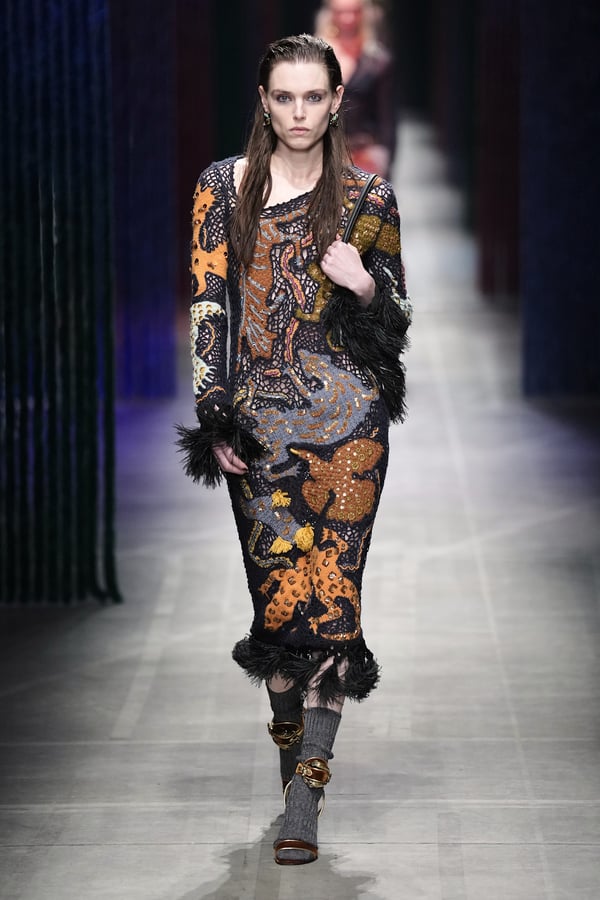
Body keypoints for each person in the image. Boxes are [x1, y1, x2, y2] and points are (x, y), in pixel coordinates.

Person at [177, 33, 411, 866]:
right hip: (261, 431)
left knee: (333, 601)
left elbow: (398, 319)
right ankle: (292, 753)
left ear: (338, 101)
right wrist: (214, 410)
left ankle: (305, 802)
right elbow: (208, 303)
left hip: (351, 431)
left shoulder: (369, 198)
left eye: (315, 97)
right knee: (279, 609)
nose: (301, 112)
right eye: (286, 97)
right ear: (265, 101)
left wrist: (363, 283)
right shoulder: (222, 188)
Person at [315, 0, 397, 178]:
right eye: (341, 12)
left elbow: (387, 118)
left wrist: (386, 161)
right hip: (322, 154)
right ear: (330, 14)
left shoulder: (377, 60)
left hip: (365, 156)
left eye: (355, 12)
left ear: (364, 14)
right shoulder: (316, 58)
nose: (348, 18)